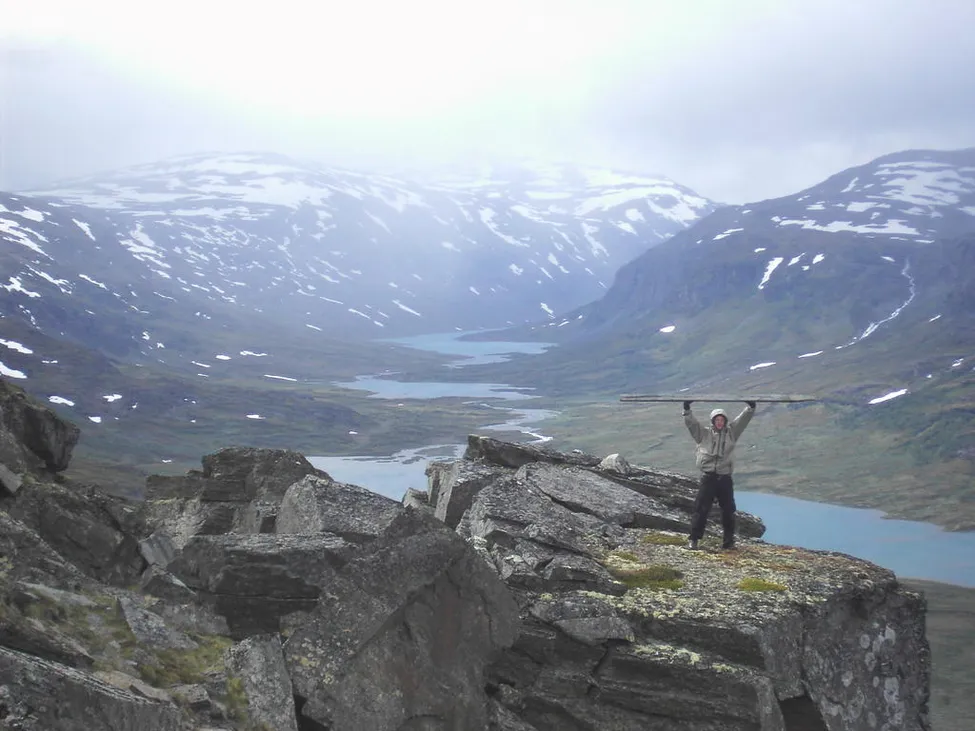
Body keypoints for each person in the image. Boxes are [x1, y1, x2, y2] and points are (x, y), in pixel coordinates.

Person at [682, 400, 756, 550]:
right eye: (717, 420)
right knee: (701, 509)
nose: (720, 422)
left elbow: (742, 421)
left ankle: (728, 542)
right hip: (708, 477)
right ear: (713, 421)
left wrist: (751, 408)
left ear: (725, 421)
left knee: (728, 511)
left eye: (722, 420)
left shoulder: (732, 433)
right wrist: (687, 409)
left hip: (725, 478)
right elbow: (692, 424)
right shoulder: (703, 434)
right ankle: (694, 540)